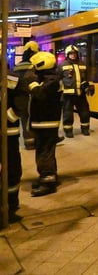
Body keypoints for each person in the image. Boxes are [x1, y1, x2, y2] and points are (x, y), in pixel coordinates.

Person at [28, 51, 64, 197]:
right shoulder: (49, 78)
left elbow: (41, 95)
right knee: (45, 151)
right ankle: (49, 176)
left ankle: (47, 182)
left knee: (45, 153)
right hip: (43, 122)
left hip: (46, 122)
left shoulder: (51, 81)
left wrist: (33, 86)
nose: (33, 69)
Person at [2, 52, 24, 221]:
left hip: (8, 134)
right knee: (12, 170)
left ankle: (9, 207)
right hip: (9, 135)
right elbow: (22, 104)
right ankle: (8, 208)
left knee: (12, 170)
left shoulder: (12, 78)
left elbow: (21, 104)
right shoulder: (13, 78)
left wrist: (6, 120)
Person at [59, 44, 94, 137]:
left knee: (85, 112)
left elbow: (88, 77)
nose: (73, 55)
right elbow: (58, 79)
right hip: (68, 94)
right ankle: (68, 130)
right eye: (71, 53)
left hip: (81, 93)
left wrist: (90, 86)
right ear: (67, 54)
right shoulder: (62, 65)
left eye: (75, 53)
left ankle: (85, 129)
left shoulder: (82, 64)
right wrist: (59, 92)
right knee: (68, 113)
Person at [12, 40, 40, 149]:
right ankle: (36, 141)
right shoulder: (34, 66)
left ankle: (28, 142)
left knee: (25, 119)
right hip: (32, 95)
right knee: (35, 118)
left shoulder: (17, 66)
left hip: (20, 97)